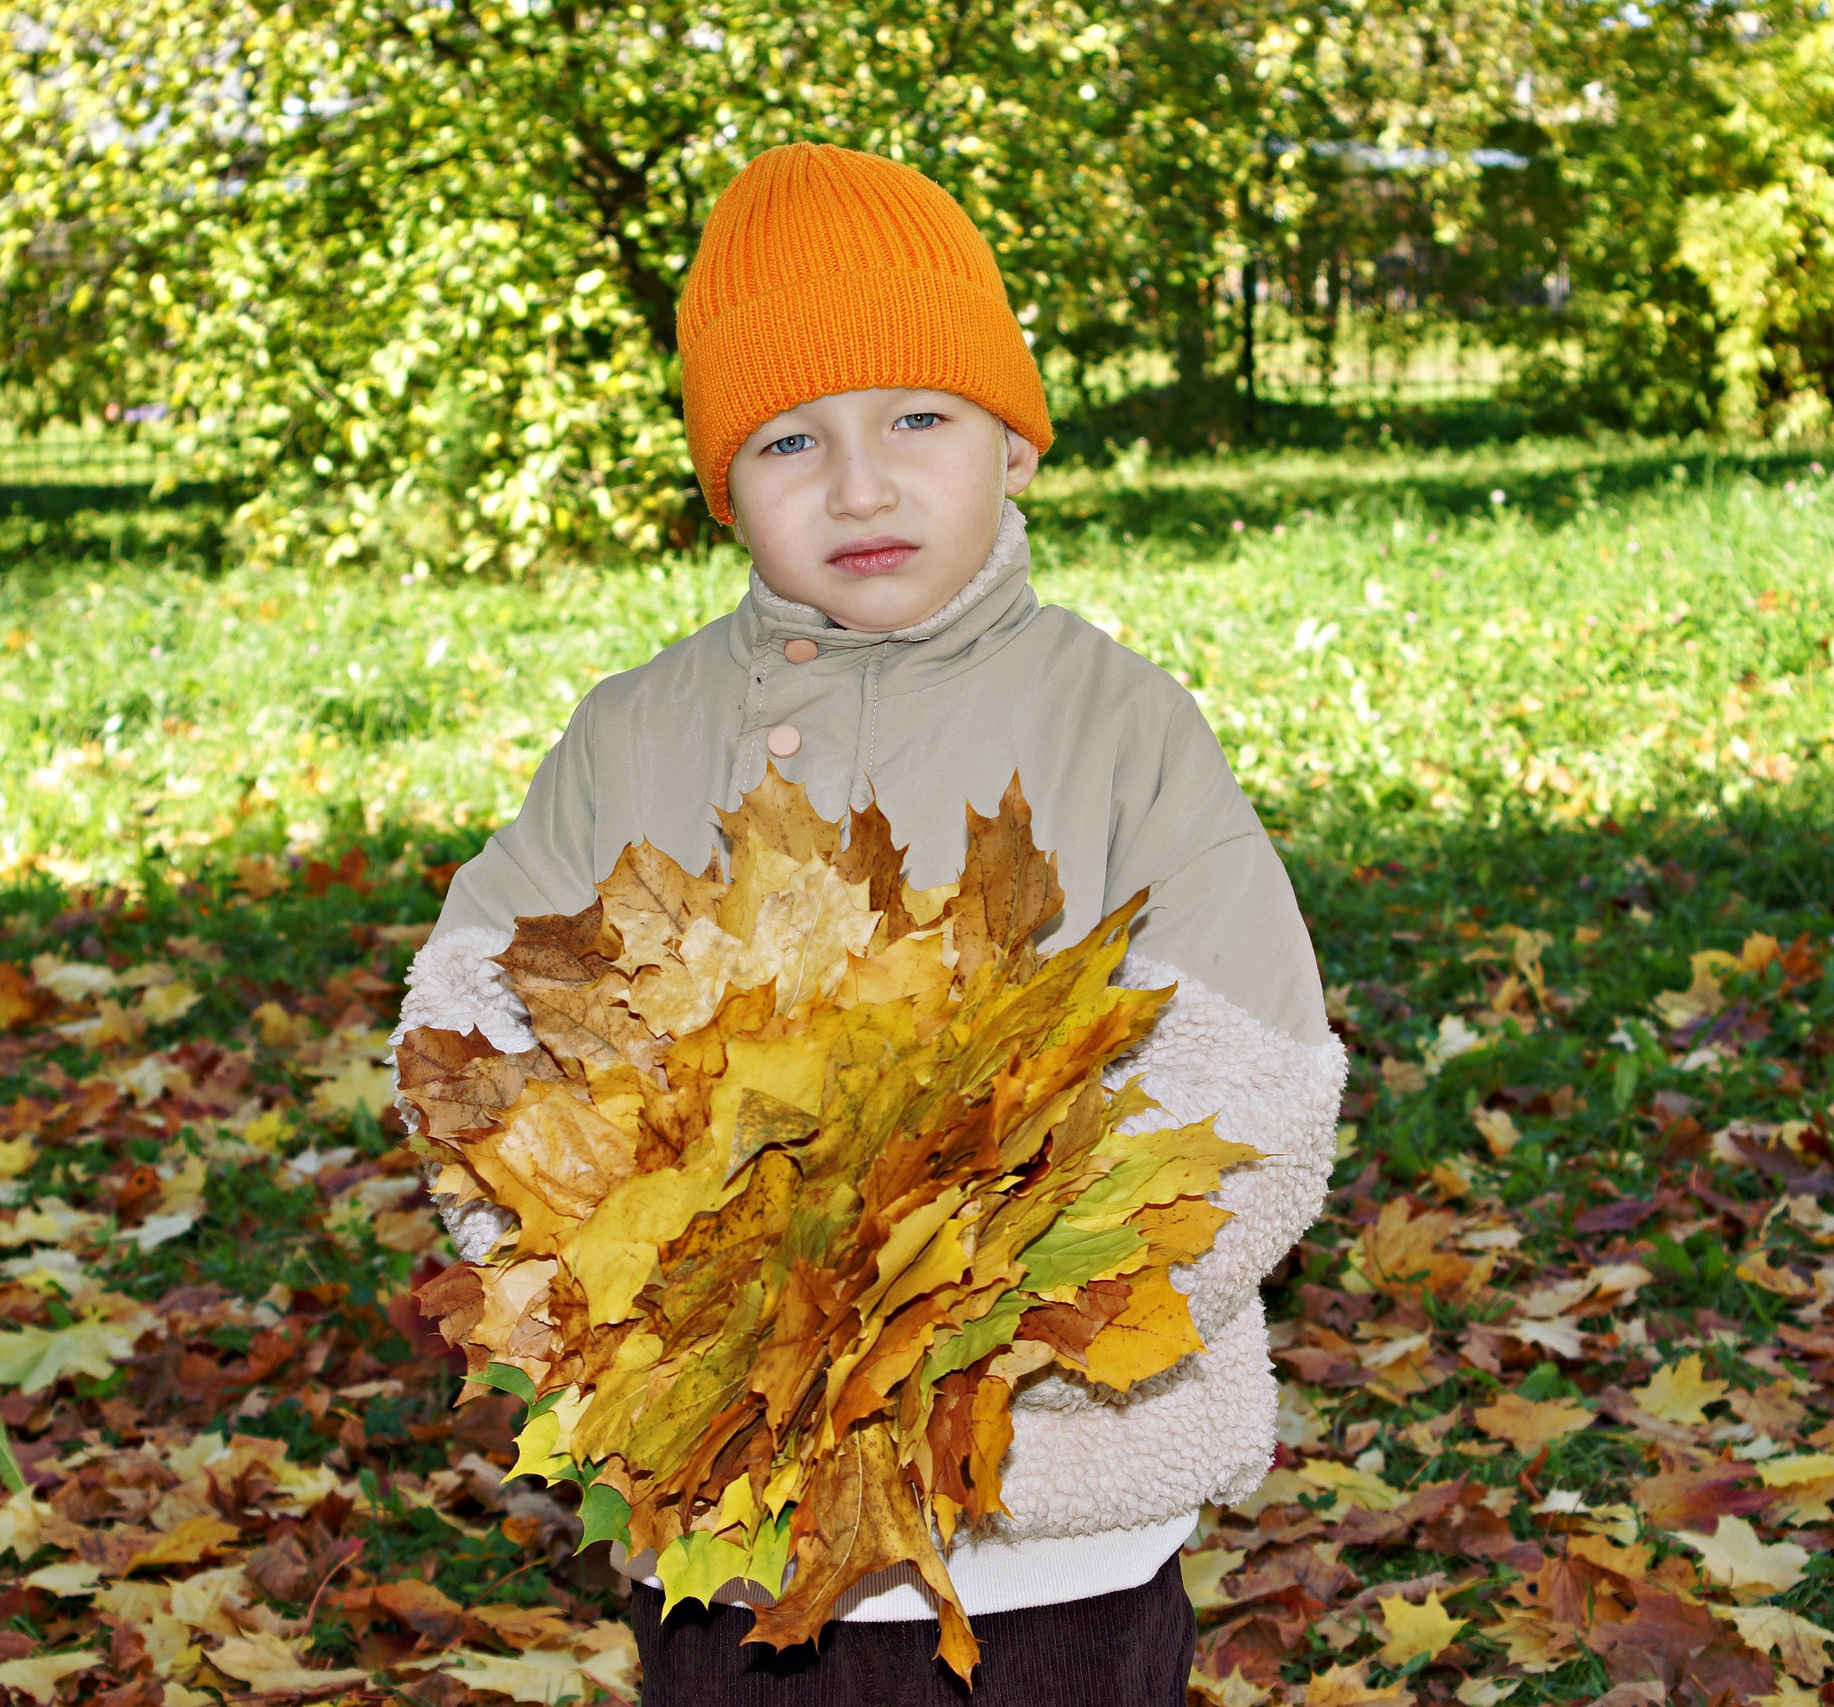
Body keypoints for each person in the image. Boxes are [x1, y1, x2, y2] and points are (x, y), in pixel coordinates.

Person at [393, 142, 1347, 1706]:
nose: (860, 483)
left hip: (1052, 1526)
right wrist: (626, 1299)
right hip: (728, 1511)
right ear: (726, 488)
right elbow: (473, 1029)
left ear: (1014, 444)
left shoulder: (1118, 726)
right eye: (788, 440)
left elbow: (1249, 1072)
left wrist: (982, 1332)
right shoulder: (636, 735)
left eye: (919, 418)